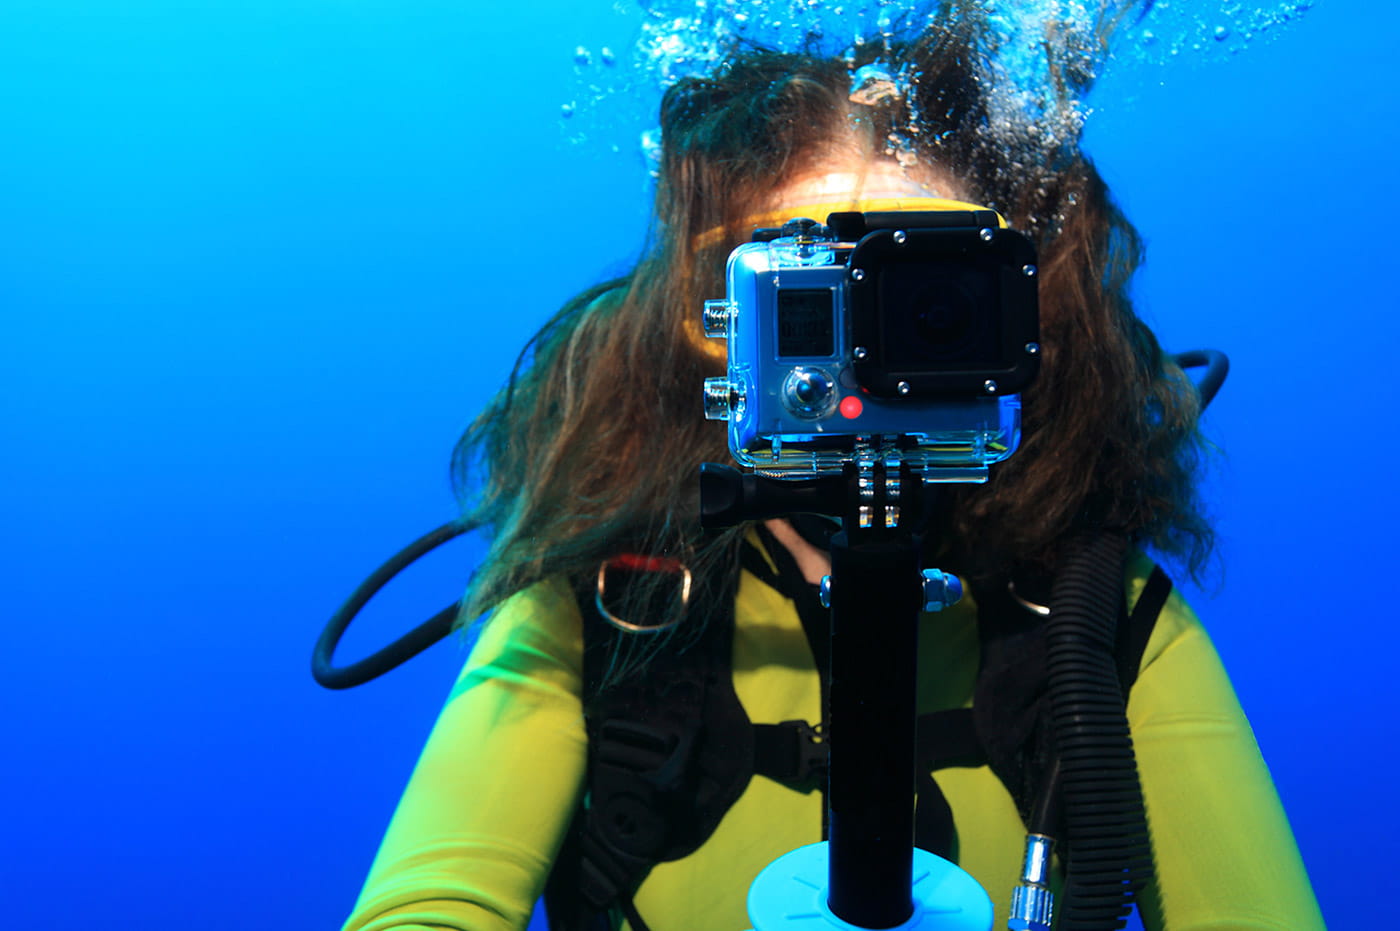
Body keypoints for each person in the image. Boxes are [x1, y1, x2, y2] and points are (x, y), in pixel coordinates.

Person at [341, 23, 1324, 931]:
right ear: (714, 318)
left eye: (931, 295)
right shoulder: (606, 602)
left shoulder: (1099, 615)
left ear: (1023, 315)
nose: (872, 355)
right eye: (815, 292)